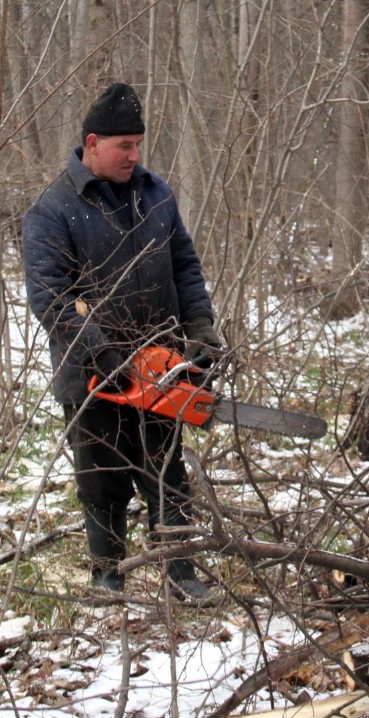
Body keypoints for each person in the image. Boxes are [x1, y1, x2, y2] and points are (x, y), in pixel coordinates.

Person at [21, 82, 222, 600]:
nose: (134, 155)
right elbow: (51, 298)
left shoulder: (156, 195)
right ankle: (108, 574)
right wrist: (100, 351)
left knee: (166, 470)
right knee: (101, 476)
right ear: (92, 143)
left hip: (160, 362)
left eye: (138, 145)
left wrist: (200, 326)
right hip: (92, 372)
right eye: (124, 146)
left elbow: (184, 267)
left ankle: (180, 572)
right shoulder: (53, 209)